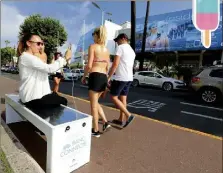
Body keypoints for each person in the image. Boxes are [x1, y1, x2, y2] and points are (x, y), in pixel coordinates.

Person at [17, 33, 71, 111]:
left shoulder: (32, 57)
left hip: (37, 97)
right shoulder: (26, 57)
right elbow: (49, 68)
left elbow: (46, 69)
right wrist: (65, 58)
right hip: (32, 99)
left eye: (42, 44)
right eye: (38, 44)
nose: (40, 46)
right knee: (63, 101)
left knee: (58, 98)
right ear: (28, 43)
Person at [81, 25, 111, 138]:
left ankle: (95, 130)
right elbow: (108, 67)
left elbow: (89, 65)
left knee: (93, 105)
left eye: (93, 35)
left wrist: (84, 76)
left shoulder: (92, 47)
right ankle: (105, 122)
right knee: (96, 102)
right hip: (103, 77)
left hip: (95, 75)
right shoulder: (107, 50)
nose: (92, 37)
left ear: (97, 35)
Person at [108, 33, 135, 128]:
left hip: (120, 77)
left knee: (113, 97)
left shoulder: (120, 48)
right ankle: (121, 119)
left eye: (117, 40)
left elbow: (115, 64)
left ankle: (129, 115)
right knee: (123, 98)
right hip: (129, 78)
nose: (117, 43)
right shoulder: (132, 50)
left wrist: (108, 77)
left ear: (123, 38)